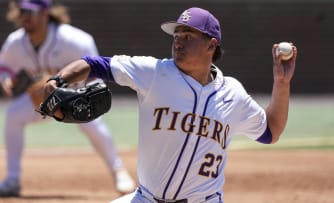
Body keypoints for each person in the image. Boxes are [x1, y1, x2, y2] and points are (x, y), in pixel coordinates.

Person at [43, 7, 297, 203]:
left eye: (188, 36)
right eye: (176, 35)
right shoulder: (155, 72)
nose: (178, 41)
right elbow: (96, 64)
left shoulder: (233, 93)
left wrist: (282, 83)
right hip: (145, 198)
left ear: (211, 45)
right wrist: (58, 80)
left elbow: (270, 131)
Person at [0, 0, 135, 197]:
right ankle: (12, 180)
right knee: (13, 115)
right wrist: (5, 79)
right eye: (22, 11)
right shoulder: (16, 42)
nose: (25, 16)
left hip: (77, 96)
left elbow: (97, 74)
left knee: (92, 124)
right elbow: (4, 66)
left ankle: (119, 171)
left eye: (31, 11)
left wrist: (68, 90)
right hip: (42, 100)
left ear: (46, 13)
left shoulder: (75, 40)